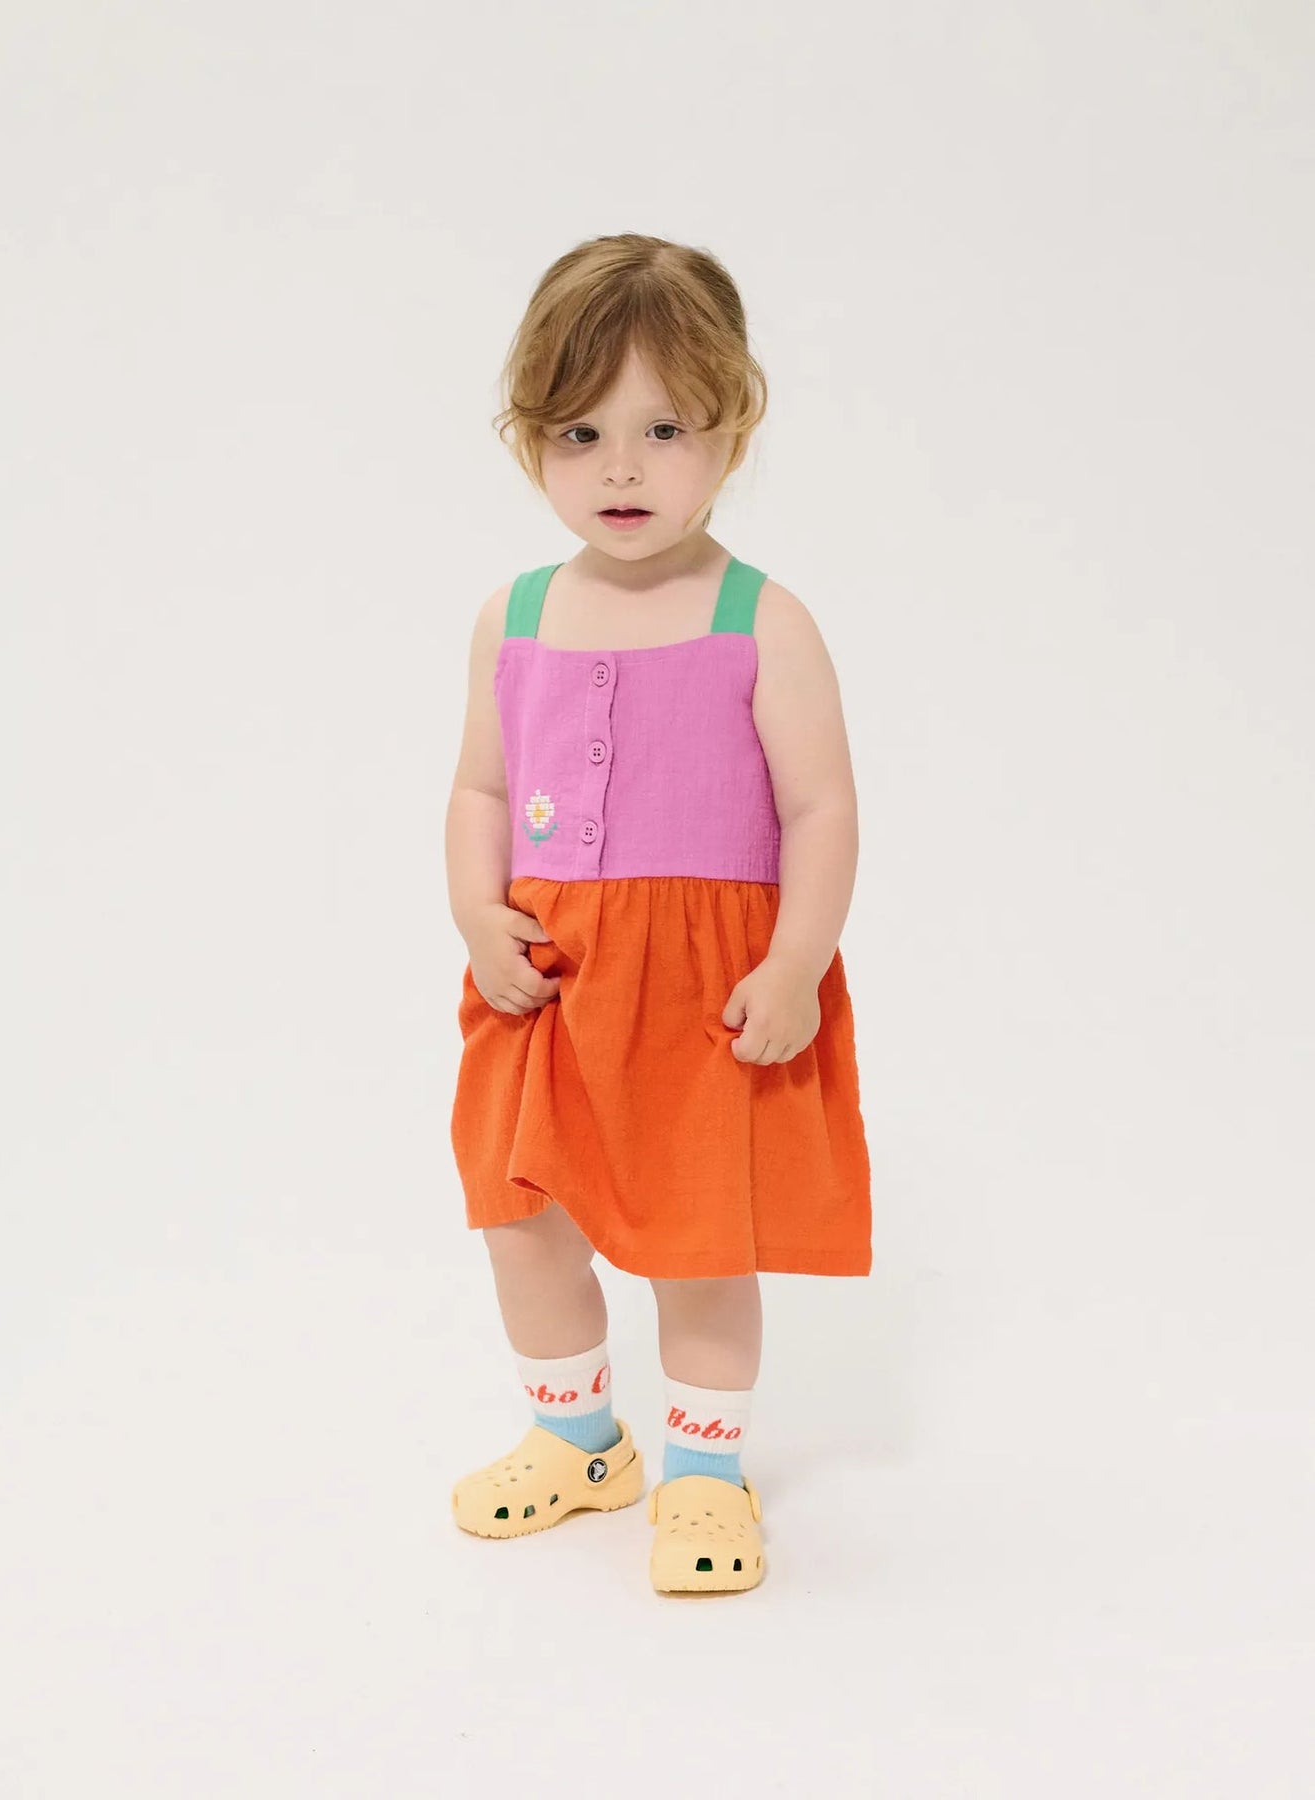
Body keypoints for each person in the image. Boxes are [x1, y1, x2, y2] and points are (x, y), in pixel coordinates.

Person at [444, 233, 871, 1596]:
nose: (619, 469)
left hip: (702, 995)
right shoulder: (514, 616)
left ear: (731, 431)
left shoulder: (762, 620)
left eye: (663, 430)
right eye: (580, 433)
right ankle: (578, 1441)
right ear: (530, 439)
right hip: (551, 983)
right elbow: (480, 786)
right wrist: (476, 916)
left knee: (700, 1237)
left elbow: (819, 809)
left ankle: (703, 1470)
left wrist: (796, 961)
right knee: (522, 1219)